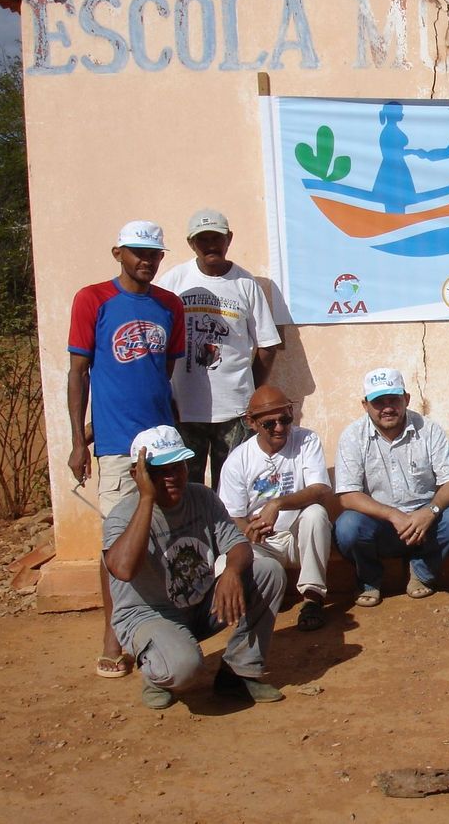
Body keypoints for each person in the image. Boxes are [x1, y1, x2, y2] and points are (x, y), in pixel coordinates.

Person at [68, 220, 186, 680]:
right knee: (116, 540)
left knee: (164, 533)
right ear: (118, 252)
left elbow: (162, 374)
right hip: (116, 446)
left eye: (155, 254)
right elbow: (79, 373)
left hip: (163, 442)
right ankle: (113, 636)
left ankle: (163, 618)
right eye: (138, 252)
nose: (147, 261)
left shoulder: (169, 305)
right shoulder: (92, 299)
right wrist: (81, 440)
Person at [104, 426, 284, 709]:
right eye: (159, 471)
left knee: (268, 572)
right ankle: (158, 670)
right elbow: (123, 569)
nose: (172, 477)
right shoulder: (123, 515)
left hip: (198, 605)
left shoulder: (202, 497)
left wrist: (233, 573)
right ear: (138, 476)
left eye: (178, 467)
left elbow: (237, 544)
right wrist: (147, 499)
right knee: (185, 669)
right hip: (149, 616)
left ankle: (238, 672)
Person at [159, 208, 282, 489]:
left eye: (216, 237)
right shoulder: (173, 282)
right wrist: (165, 392)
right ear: (191, 243)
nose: (210, 245)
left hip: (234, 413)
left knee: (232, 488)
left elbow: (267, 345)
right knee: (185, 488)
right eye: (202, 239)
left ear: (229, 239)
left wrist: (248, 392)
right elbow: (158, 342)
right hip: (184, 409)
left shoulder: (245, 284)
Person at [333, 368, 449, 607]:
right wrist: (392, 515)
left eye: (393, 400)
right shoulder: (353, 436)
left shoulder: (429, 430)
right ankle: (369, 579)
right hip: (380, 524)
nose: (387, 408)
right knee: (347, 527)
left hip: (424, 524)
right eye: (378, 402)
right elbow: (347, 496)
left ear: (406, 399)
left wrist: (430, 512)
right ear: (365, 405)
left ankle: (422, 571)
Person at [218, 385, 333, 631]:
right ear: (251, 422)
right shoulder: (238, 460)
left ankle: (313, 597)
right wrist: (250, 529)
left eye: (285, 419)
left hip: (297, 539)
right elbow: (233, 516)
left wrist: (277, 504)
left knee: (316, 514)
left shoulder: (306, 440)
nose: (280, 428)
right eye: (270, 423)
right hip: (262, 544)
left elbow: (321, 489)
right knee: (222, 566)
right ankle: (265, 595)